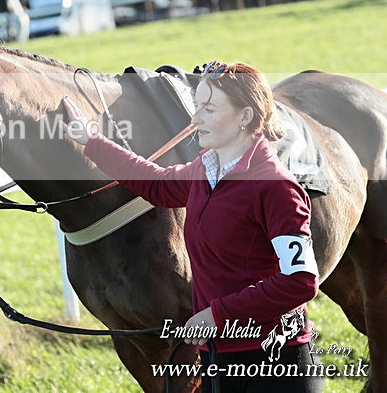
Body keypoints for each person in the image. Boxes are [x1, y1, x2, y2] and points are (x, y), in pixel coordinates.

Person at [62, 61, 322, 392]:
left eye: (209, 109)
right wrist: (92, 142)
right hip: (218, 357)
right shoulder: (206, 169)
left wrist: (216, 316)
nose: (196, 118)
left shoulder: (275, 187)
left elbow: (300, 282)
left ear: (245, 117)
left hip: (274, 363)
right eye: (196, 105)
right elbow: (156, 184)